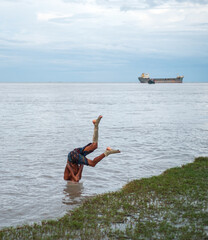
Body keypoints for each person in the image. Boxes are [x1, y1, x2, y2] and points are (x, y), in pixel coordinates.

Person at [64, 115, 120, 182]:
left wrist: (74, 176)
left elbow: (68, 165)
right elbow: (82, 165)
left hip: (72, 155)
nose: (77, 180)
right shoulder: (79, 177)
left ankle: (107, 152)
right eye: (77, 181)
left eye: (76, 181)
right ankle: (96, 125)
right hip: (77, 153)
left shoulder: (66, 178)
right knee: (94, 146)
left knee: (93, 164)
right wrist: (78, 175)